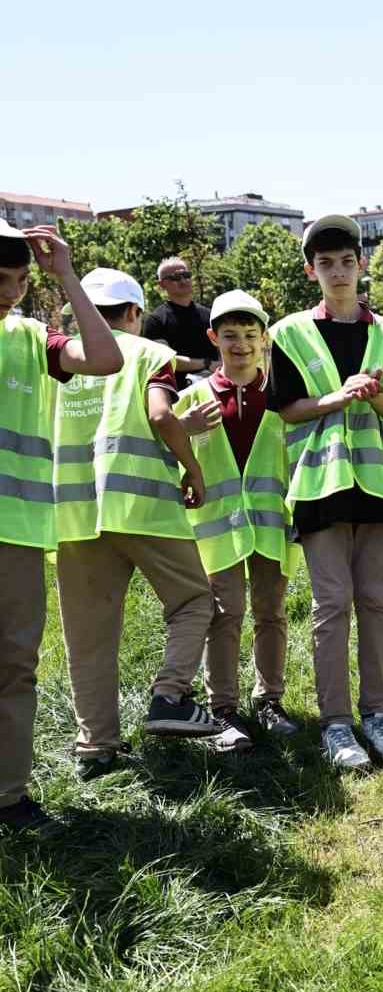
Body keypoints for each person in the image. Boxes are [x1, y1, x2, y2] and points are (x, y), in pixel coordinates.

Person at [54, 267, 225, 779]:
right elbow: (158, 415)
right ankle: (170, 697)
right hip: (145, 506)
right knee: (195, 601)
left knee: (89, 635)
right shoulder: (150, 352)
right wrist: (192, 469)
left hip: (76, 514)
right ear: (133, 314)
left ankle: (96, 750)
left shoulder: (62, 363)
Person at [267, 214, 383, 772]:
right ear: (312, 271)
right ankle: (335, 723)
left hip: (375, 488)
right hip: (319, 487)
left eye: (346, 262)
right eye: (325, 264)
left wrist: (373, 396)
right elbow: (286, 410)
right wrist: (338, 397)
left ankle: (375, 714)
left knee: (375, 603)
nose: (338, 272)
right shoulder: (288, 334)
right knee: (331, 605)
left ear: (361, 265)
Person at [0, 222, 124, 831]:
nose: (10, 292)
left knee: (15, 666)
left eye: (19, 281)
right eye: (1, 279)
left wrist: (66, 277)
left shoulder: (30, 338)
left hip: (17, 533)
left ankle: (8, 798)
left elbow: (105, 358)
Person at [172, 290, 296, 751]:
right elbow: (166, 451)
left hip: (269, 527)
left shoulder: (284, 396)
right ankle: (222, 709)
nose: (240, 345)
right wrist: (184, 432)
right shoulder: (194, 398)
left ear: (264, 339)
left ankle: (270, 701)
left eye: (249, 335)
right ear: (213, 338)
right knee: (224, 616)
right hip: (217, 531)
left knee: (271, 612)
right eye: (230, 336)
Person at [143, 256, 215, 377]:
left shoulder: (210, 315)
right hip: (177, 392)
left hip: (213, 389)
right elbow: (164, 361)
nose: (183, 281)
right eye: (175, 277)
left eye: (186, 275)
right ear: (161, 284)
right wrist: (206, 363)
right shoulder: (155, 320)